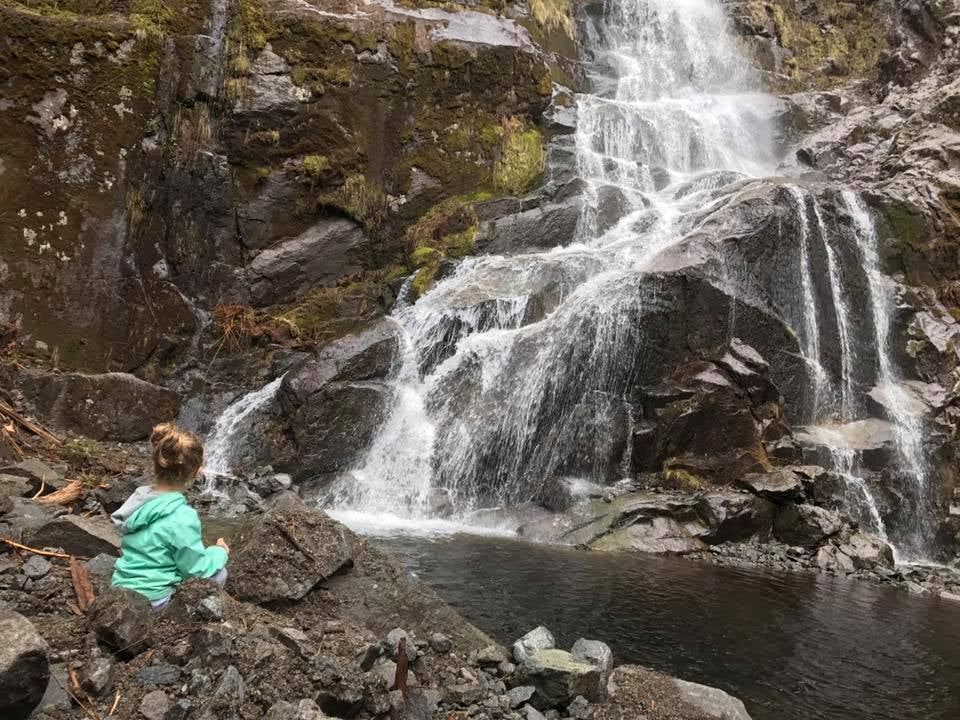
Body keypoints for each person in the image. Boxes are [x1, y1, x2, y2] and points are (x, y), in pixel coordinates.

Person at [110, 422, 229, 609]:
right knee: (219, 574)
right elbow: (196, 570)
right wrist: (219, 552)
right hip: (155, 599)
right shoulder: (182, 516)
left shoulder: (137, 501)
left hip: (121, 591)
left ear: (156, 464)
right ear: (197, 471)